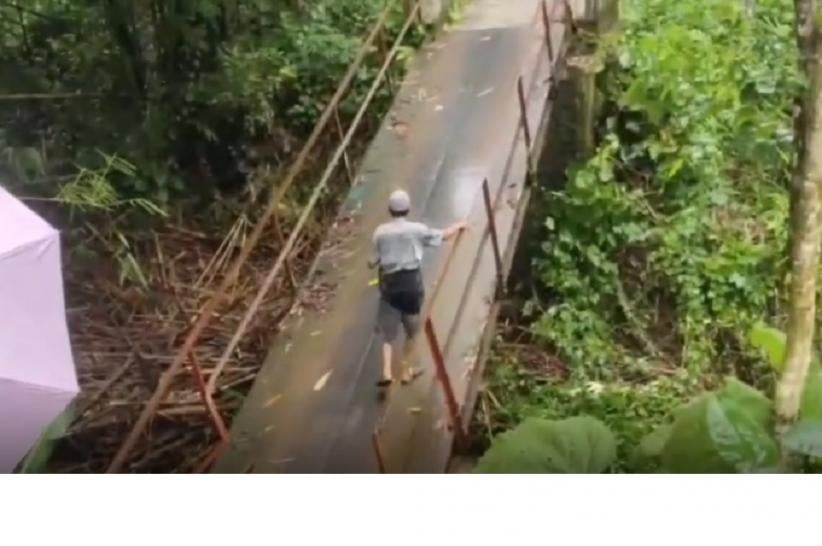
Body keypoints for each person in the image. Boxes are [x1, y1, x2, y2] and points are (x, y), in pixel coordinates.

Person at [369, 189, 468, 388]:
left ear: (389, 210)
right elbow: (443, 236)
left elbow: (375, 259)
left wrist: (374, 263)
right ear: (408, 209)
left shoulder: (380, 232)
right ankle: (406, 372)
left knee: (387, 333)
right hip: (411, 284)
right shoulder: (417, 229)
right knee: (412, 331)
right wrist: (459, 225)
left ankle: (387, 372)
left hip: (389, 284)